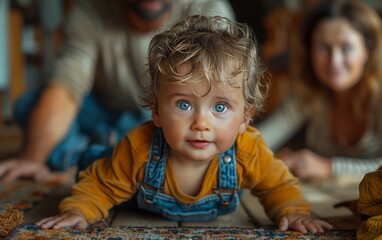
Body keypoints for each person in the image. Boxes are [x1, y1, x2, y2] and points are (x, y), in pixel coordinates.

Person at [35, 15, 332, 234]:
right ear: (157, 112)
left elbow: (278, 185)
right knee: (93, 167)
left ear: (245, 118)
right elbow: (101, 186)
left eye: (220, 107)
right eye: (184, 105)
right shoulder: (140, 147)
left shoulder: (248, 150)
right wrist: (79, 210)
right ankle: (78, 153)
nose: (201, 123)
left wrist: (293, 212)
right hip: (129, 187)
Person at [0, 0, 235, 182]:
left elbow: (223, 96)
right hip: (107, 111)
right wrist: (31, 158)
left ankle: (91, 152)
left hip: (168, 118)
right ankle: (115, 148)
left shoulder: (208, 9)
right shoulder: (92, 9)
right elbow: (66, 86)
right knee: (28, 106)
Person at [257, 0, 382, 181]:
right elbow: (260, 141)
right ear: (310, 52)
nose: (334, 61)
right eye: (323, 47)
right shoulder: (311, 93)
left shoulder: (378, 97)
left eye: (346, 48)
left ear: (368, 52)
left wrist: (328, 167)